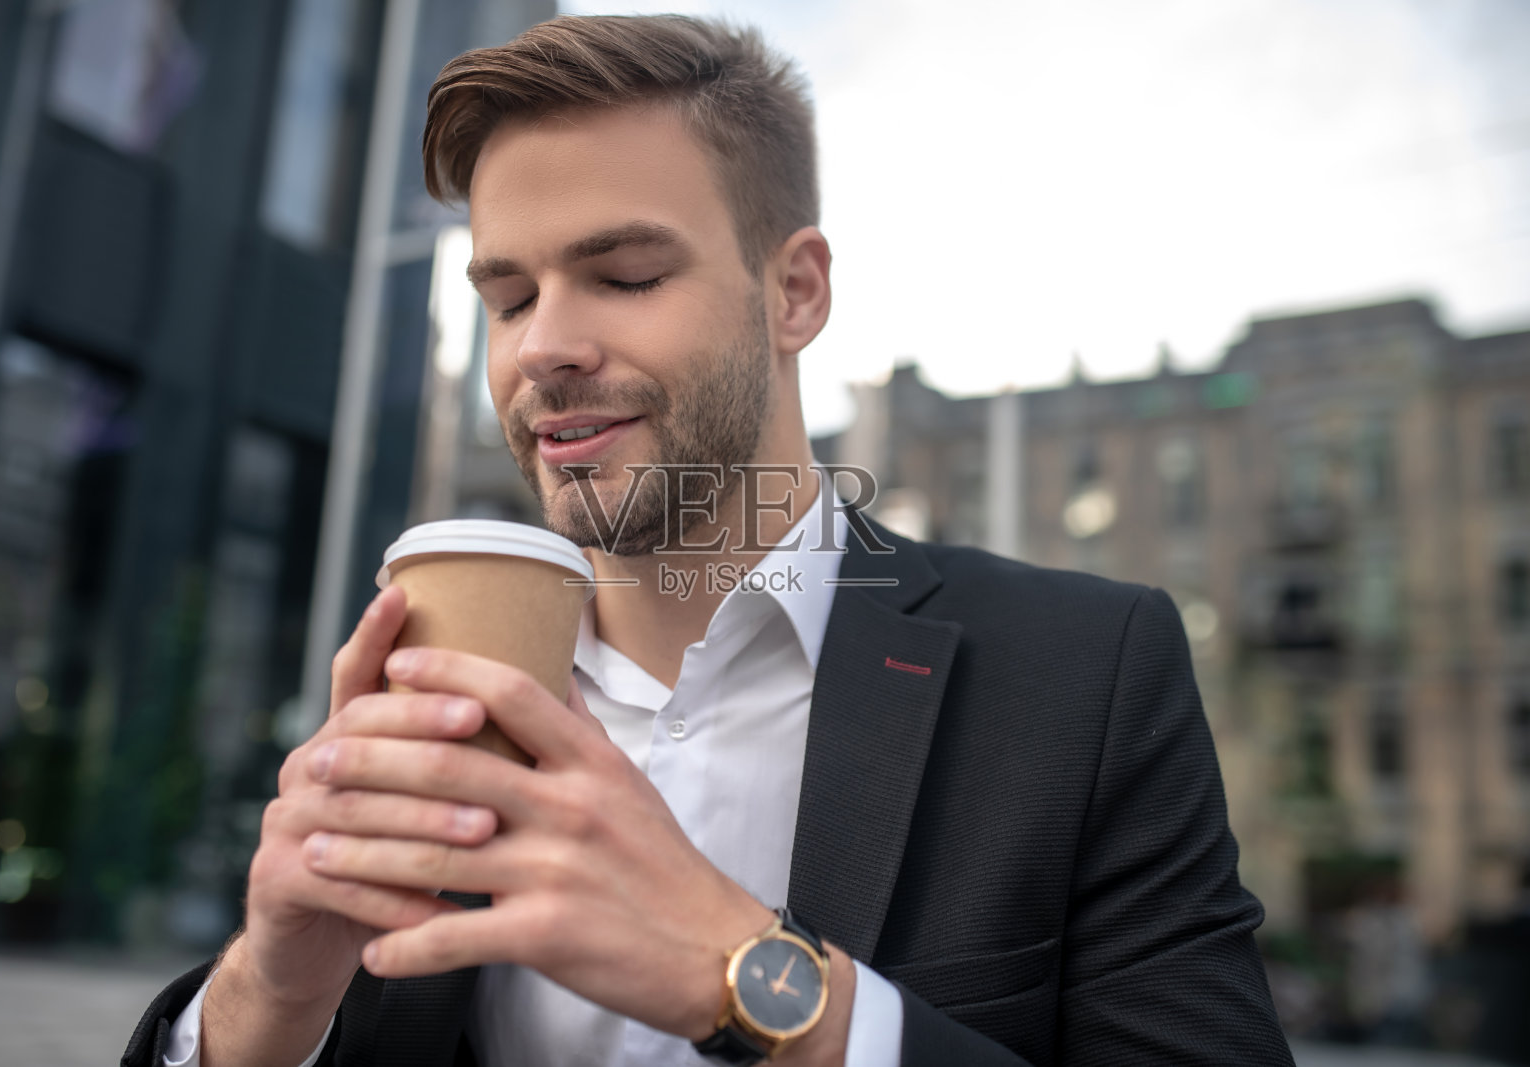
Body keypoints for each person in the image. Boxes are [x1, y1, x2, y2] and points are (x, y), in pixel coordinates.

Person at [124, 14, 1293, 1066]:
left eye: (625, 274)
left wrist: (758, 983)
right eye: (509, 298)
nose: (542, 347)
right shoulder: (433, 686)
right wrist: (271, 995)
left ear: (795, 292)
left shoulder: (1081, 676)